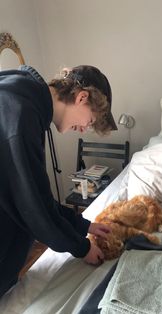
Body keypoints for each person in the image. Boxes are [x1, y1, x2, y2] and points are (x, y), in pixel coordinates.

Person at [0, 64, 117, 298]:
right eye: (90, 121)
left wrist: (84, 226)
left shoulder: (23, 95)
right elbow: (34, 209)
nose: (84, 129)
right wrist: (82, 248)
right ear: (82, 98)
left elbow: (38, 196)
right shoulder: (22, 115)